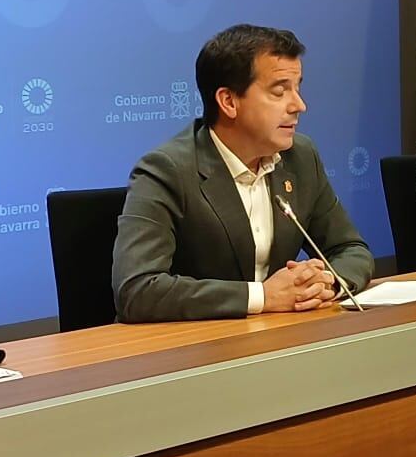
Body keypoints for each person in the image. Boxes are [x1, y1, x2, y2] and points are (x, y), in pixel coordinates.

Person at [112, 24, 373, 323]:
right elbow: (137, 289)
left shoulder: (300, 157)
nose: (299, 105)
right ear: (228, 101)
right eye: (280, 91)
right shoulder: (167, 170)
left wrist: (326, 282)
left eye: (297, 88)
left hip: (279, 336)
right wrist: (263, 297)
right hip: (195, 343)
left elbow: (350, 249)